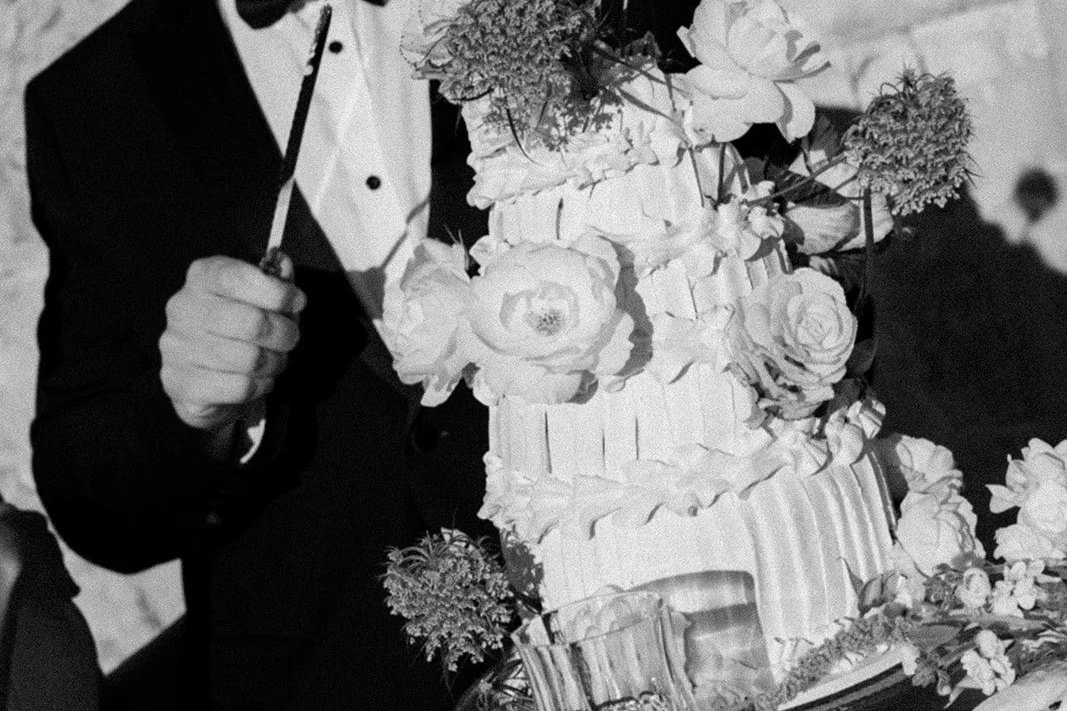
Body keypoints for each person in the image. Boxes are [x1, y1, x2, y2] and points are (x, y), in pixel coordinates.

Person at [25, 0, 491, 708]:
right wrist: (186, 409)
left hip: (630, 600)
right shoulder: (91, 99)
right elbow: (94, 506)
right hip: (326, 678)